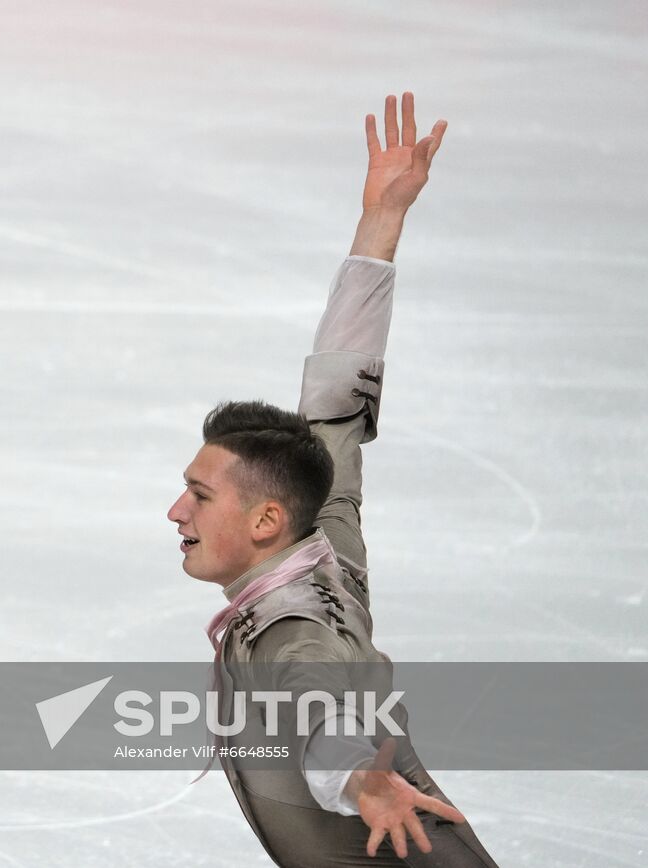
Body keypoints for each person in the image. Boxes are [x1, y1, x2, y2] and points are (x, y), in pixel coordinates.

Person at [168, 93, 499, 866]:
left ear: (264, 522)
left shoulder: (288, 628)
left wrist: (360, 779)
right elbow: (335, 403)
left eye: (201, 495)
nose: (177, 509)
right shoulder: (325, 530)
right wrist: (381, 224)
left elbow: (318, 705)